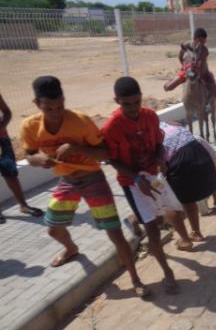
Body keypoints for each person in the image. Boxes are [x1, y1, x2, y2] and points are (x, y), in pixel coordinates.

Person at [20, 76, 148, 297]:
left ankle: (135, 278)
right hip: (67, 181)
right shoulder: (29, 126)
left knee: (114, 232)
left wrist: (76, 147)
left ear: (64, 99)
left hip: (92, 178)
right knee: (53, 228)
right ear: (36, 104)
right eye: (48, 108)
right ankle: (71, 249)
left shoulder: (80, 121)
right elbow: (29, 153)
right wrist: (37, 159)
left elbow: (105, 153)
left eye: (60, 106)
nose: (56, 111)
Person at [102, 76, 194, 295]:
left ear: (141, 98)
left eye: (136, 102)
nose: (133, 108)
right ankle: (167, 272)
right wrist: (135, 179)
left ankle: (136, 219)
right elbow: (111, 159)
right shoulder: (111, 127)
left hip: (153, 176)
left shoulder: (151, 117)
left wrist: (161, 159)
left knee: (173, 212)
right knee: (153, 230)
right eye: (127, 104)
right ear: (117, 101)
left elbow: (159, 145)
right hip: (132, 183)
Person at [160, 121, 216, 241]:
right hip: (200, 154)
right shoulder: (170, 123)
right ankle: (196, 232)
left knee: (169, 202)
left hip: (180, 161)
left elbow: (162, 166)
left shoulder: (148, 136)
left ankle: (185, 240)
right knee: (187, 199)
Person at [163, 28, 216, 126]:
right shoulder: (185, 46)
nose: (202, 43)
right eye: (200, 41)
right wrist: (184, 67)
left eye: (204, 41)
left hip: (203, 73)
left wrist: (198, 71)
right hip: (188, 72)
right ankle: (173, 80)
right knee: (168, 87)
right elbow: (180, 56)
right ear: (194, 38)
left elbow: (200, 61)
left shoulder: (204, 50)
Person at [0, 93, 43, 224]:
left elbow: (7, 112)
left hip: (2, 140)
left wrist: (2, 125)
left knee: (11, 173)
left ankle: (23, 206)